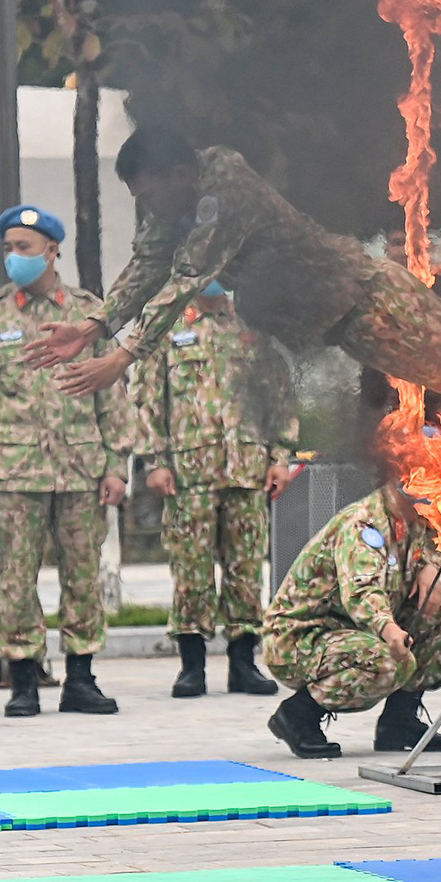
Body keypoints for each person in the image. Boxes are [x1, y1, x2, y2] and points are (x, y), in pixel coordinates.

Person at [25, 126, 441, 401]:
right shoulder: (173, 204)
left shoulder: (225, 184)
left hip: (374, 303)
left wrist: (124, 357)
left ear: (181, 175)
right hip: (349, 324)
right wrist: (93, 327)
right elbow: (149, 262)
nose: (149, 207)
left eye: (150, 195)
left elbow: (187, 274)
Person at [0, 205, 132, 718]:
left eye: (24, 248)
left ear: (53, 250)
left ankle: (81, 677)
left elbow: (111, 390)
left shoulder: (86, 312)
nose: (14, 257)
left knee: (83, 573)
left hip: (81, 467)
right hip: (15, 472)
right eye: (8, 248)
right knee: (16, 575)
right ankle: (24, 682)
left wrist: (116, 464)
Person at [132, 279, 294, 699]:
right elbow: (149, 399)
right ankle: (192, 666)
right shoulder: (166, 323)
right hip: (188, 472)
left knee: (245, 567)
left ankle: (244, 664)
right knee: (191, 569)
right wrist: (155, 461)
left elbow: (278, 394)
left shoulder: (253, 325)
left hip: (247, 467)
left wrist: (279, 457)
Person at [262, 483, 441, 759]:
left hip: (351, 629)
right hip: (302, 636)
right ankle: (298, 714)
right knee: (388, 661)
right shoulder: (364, 525)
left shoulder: (412, 515)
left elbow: (435, 541)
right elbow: (361, 591)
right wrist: (389, 630)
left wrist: (429, 565)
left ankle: (399, 722)